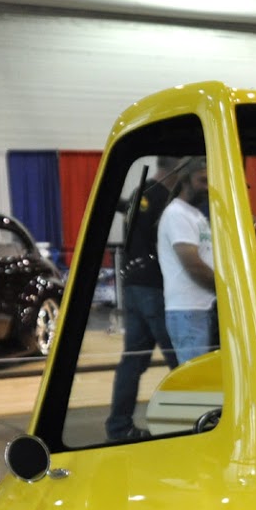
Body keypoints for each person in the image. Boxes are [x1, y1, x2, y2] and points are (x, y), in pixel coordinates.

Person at [104, 156, 182, 441]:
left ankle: (118, 425)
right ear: (175, 168)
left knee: (132, 362)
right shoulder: (163, 198)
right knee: (181, 359)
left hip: (134, 285)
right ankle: (189, 422)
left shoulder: (142, 192)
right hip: (155, 287)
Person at [158, 157, 216, 362]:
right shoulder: (177, 214)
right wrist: (227, 289)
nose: (207, 187)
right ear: (185, 181)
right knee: (197, 387)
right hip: (188, 312)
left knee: (205, 383)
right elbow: (194, 266)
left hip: (201, 309)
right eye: (202, 180)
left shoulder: (196, 215)